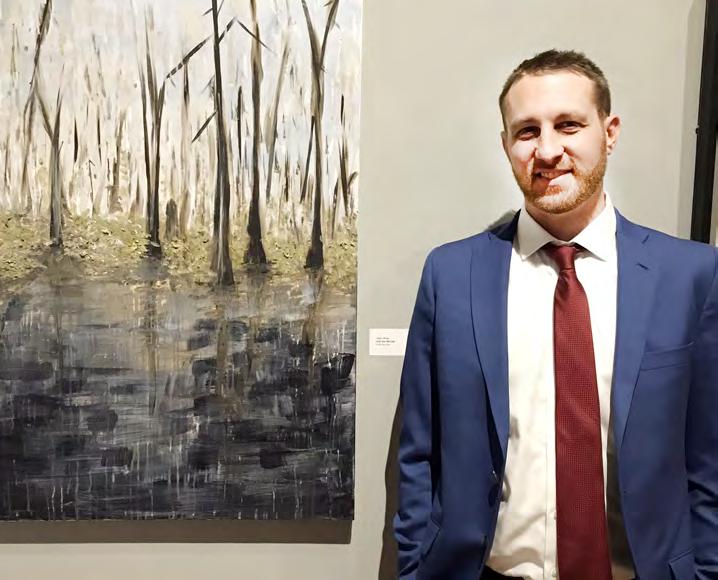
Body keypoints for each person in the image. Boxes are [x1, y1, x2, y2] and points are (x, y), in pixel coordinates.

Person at [393, 49, 718, 580]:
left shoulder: (692, 276)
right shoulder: (450, 276)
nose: (547, 150)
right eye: (527, 131)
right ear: (506, 145)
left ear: (609, 132)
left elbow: (709, 460)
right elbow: (418, 452)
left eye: (568, 125)